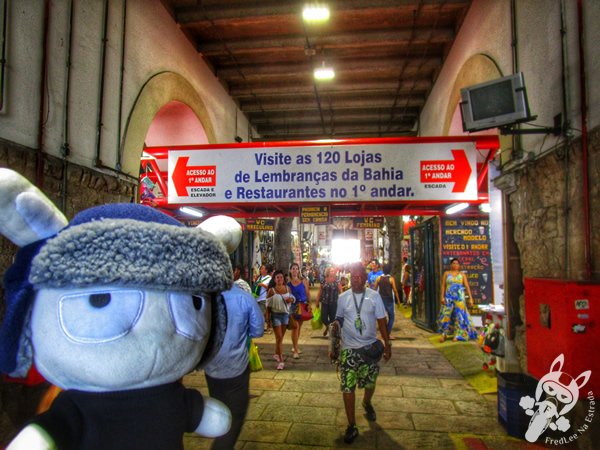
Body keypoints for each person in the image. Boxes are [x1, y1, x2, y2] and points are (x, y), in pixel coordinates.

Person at [332, 262, 391, 444]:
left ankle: (367, 402)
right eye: (353, 276)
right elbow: (339, 319)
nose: (356, 280)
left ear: (365, 279)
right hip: (349, 349)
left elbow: (381, 322)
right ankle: (352, 425)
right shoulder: (343, 298)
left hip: (369, 348)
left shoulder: (374, 297)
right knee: (347, 386)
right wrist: (334, 340)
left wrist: (387, 344)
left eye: (359, 277)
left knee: (370, 382)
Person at [203, 285, 264, 449]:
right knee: (236, 414)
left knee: (219, 410)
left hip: (211, 367)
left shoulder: (207, 295)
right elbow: (258, 330)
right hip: (236, 366)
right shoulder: (244, 297)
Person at [438, 258, 478, 342]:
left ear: (459, 265)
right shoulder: (446, 273)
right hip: (449, 297)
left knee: (459, 316)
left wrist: (470, 298)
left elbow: (467, 286)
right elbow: (443, 286)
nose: (455, 265)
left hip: (459, 298)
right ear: (451, 264)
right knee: (446, 315)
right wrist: (442, 297)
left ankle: (458, 335)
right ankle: (444, 334)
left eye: (457, 263)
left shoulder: (462, 274)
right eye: (454, 263)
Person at [265, 270, 295, 370]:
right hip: (275, 316)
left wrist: (291, 300)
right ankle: (281, 361)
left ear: (284, 279)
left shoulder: (288, 288)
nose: (279, 279)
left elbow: (293, 299)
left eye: (281, 277)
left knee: (280, 338)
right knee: (279, 337)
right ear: (274, 279)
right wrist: (268, 319)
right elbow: (268, 306)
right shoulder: (271, 291)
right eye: (277, 277)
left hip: (285, 315)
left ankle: (276, 353)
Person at [287, 262, 311, 359]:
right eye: (293, 268)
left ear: (299, 270)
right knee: (295, 327)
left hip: (303, 305)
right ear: (290, 270)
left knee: (299, 328)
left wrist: (309, 304)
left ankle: (295, 345)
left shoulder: (304, 281)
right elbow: (288, 296)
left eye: (296, 268)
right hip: (293, 307)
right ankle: (296, 350)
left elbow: (307, 293)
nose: (295, 270)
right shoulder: (288, 284)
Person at [373, 263, 401, 340]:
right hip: (389, 300)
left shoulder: (378, 278)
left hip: (381, 300)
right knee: (391, 317)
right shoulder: (391, 279)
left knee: (382, 317)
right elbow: (395, 290)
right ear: (390, 270)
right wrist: (398, 301)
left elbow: (375, 289)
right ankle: (387, 334)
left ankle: (384, 334)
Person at [315, 266, 342, 337]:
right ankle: (328, 327)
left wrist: (342, 302)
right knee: (323, 318)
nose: (332, 271)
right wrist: (317, 302)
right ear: (328, 271)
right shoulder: (323, 280)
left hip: (334, 303)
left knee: (333, 319)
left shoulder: (337, 280)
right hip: (324, 303)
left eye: (333, 270)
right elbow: (319, 292)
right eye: (331, 270)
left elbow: (341, 292)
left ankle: (332, 335)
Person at [253, 264, 272, 330]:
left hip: (263, 298)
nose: (261, 270)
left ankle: (262, 326)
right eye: (260, 269)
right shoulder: (259, 277)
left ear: (266, 270)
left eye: (262, 269)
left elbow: (270, 288)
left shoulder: (269, 278)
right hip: (257, 298)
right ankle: (262, 326)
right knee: (259, 312)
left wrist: (262, 285)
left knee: (262, 312)